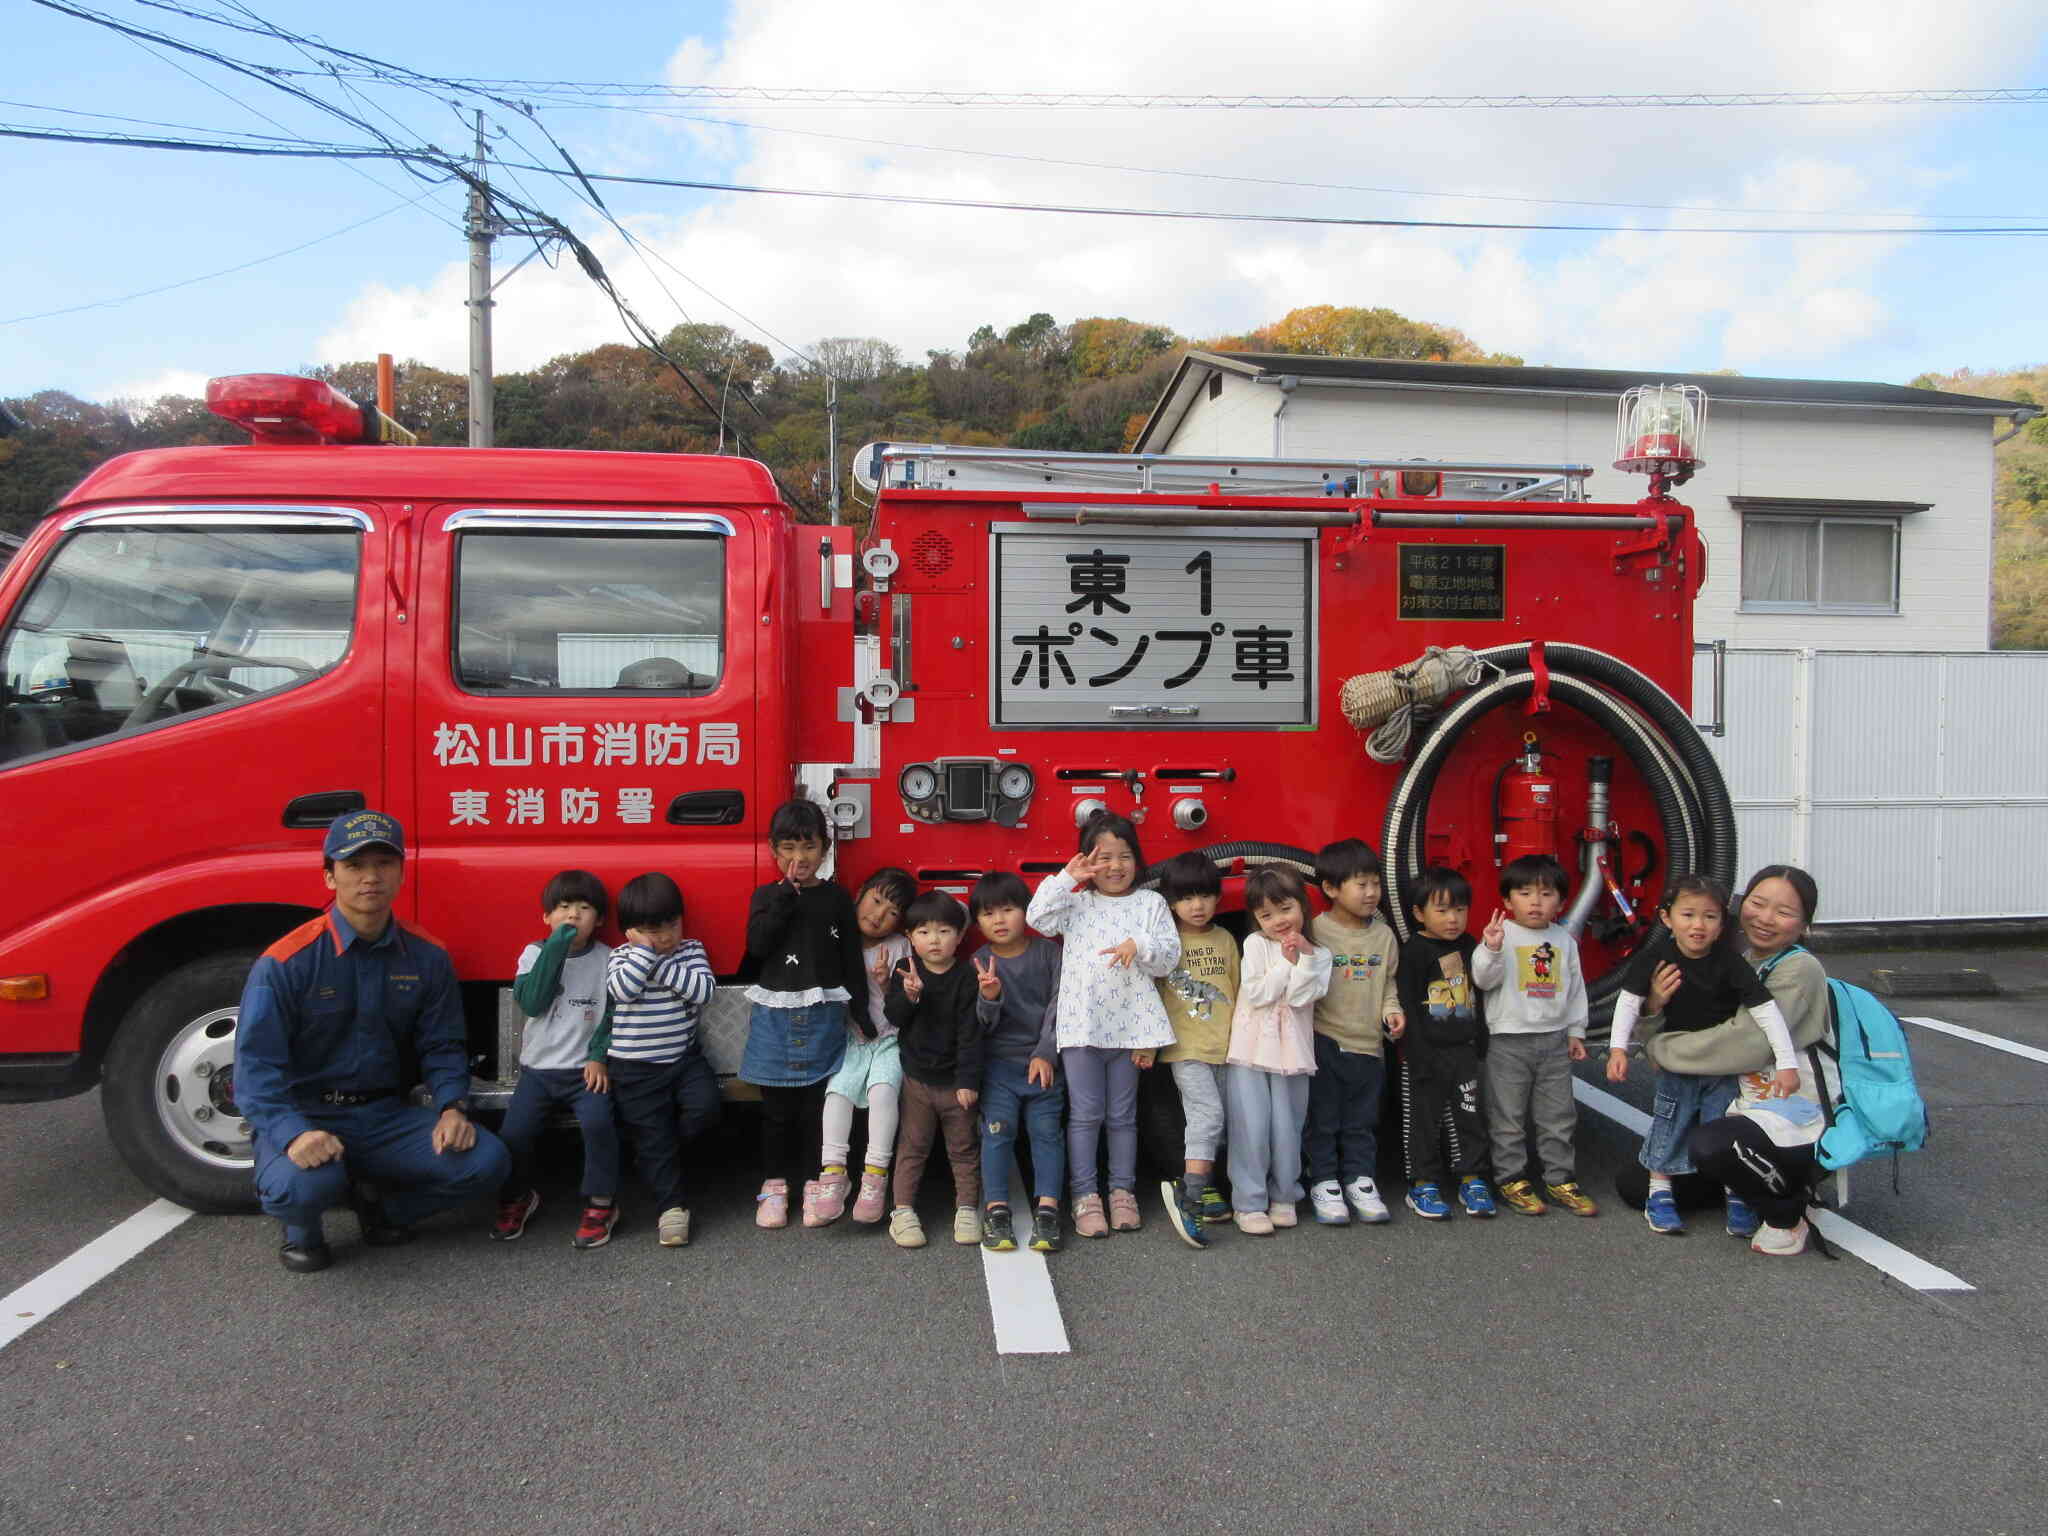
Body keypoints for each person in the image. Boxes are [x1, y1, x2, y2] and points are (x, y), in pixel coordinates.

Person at [236, 810, 509, 1274]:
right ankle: (302, 1229)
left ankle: (384, 1211)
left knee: (486, 1161)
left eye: (383, 863)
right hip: (310, 1112)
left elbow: (442, 1046)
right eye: (354, 865)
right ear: (329, 875)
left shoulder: (427, 957)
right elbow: (255, 1070)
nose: (370, 878)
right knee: (300, 1187)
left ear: (402, 873)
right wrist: (293, 1133)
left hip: (384, 1116)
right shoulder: (287, 962)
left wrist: (452, 1108)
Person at [1604, 873, 1799, 1236]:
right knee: (1669, 1123)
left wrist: (1787, 1063)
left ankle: (1737, 1195)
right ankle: (1659, 1193)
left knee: (1721, 1129)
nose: (1698, 925)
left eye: (1709, 916)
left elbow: (1766, 1011)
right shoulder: (1654, 959)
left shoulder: (1730, 962)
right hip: (1678, 1066)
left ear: (1722, 922)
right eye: (1688, 914)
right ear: (1667, 918)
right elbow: (1628, 1003)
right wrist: (1618, 1049)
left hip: (1721, 1069)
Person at [1026, 810, 1180, 1238]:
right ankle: (1085, 1196)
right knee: (1086, 1114)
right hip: (1083, 1026)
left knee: (1122, 1116)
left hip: (1132, 1027)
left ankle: (1122, 1192)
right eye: (1104, 857)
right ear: (1087, 860)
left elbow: (1169, 955)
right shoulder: (1076, 900)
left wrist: (1139, 944)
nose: (1115, 866)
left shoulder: (1150, 904)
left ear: (1138, 859)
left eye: (1124, 856)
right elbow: (1036, 919)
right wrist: (1065, 878)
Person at [1680, 866, 1834, 1256]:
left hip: (1796, 1120)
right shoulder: (1744, 962)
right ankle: (1747, 1184)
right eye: (1758, 904)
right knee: (1636, 1185)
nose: (1765, 919)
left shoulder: (1800, 969)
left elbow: (1746, 1046)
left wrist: (1660, 1050)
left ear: (1804, 925)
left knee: (1710, 1147)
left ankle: (1790, 1211)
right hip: (1748, 1111)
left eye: (1783, 912)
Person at [740, 799, 867, 1229]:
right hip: (776, 1014)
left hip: (823, 1012)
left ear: (825, 849)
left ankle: (816, 1183)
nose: (800, 858)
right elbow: (757, 945)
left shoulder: (836, 899)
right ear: (775, 851)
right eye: (789, 847)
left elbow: (851, 958)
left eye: (809, 847)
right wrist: (782, 900)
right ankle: (775, 1185)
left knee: (817, 1107)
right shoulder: (765, 895)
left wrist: (862, 1013)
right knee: (776, 1109)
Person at [491, 870, 622, 1249]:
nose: (573, 916)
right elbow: (532, 1001)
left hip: (585, 1070)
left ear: (598, 920)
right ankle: (517, 1196)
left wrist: (598, 1057)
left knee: (598, 1124)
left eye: (584, 908)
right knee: (515, 1132)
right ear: (546, 917)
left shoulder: (608, 959)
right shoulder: (534, 953)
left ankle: (601, 1202)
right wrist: (555, 948)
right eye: (563, 908)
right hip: (538, 1070)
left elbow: (614, 1014)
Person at [1471, 854, 1598, 1218]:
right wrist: (1491, 948)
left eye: (1546, 894)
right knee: (1507, 1116)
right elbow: (1482, 980)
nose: (1536, 901)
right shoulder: (1501, 934)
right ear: (1508, 901)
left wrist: (1577, 1031)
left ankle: (1560, 1180)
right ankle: (1511, 1179)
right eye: (1524, 893)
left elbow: (1575, 990)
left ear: (1561, 902)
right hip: (1508, 1042)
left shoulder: (1564, 940)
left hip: (1555, 1041)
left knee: (1558, 1116)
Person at [601, 871, 719, 1248]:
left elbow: (703, 991)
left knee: (704, 1109)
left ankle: (658, 1154)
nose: (667, 936)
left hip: (684, 1059)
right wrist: (643, 953)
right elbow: (622, 991)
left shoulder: (690, 951)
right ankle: (672, 1210)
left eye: (673, 924)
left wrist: (661, 961)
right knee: (653, 1139)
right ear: (631, 932)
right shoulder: (621, 958)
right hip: (633, 1069)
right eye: (654, 930)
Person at [806, 866, 917, 1228]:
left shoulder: (900, 946)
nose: (878, 915)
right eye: (876, 901)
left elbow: (900, 1010)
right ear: (860, 893)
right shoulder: (841, 940)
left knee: (884, 1092)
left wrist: (887, 985)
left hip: (887, 1041)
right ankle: (833, 1173)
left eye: (892, 912)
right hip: (852, 1040)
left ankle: (874, 1175)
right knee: (837, 1095)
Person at [1224, 865, 1333, 1235]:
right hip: (1250, 1049)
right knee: (1250, 1126)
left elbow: (1304, 998)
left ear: (1302, 906)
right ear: (1256, 920)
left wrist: (1301, 959)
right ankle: (1249, 1202)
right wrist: (1286, 965)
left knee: (1288, 1126)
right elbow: (1256, 993)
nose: (1278, 921)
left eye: (1285, 909)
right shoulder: (1255, 945)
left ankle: (1285, 1195)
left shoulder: (1320, 954)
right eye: (1266, 915)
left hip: (1293, 1053)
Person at [1305, 838, 1407, 1225]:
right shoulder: (1315, 932)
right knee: (1324, 1118)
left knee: (1362, 1120)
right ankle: (1325, 1181)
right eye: (1360, 884)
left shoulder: (1383, 936)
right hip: (1326, 1041)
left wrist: (1392, 1012)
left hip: (1370, 1046)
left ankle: (1361, 1180)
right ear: (1330, 888)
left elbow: (1388, 984)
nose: (1371, 893)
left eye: (1375, 884)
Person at [969, 871, 1065, 1254]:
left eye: (1008, 909)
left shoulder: (1048, 953)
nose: (999, 920)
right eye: (988, 913)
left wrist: (1046, 1052)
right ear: (977, 921)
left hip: (1043, 1063)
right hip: (998, 1069)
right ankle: (995, 1211)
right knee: (998, 1130)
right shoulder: (978, 961)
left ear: (1025, 912)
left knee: (1046, 1132)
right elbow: (978, 1026)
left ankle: (1049, 1211)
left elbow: (1060, 1008)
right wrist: (989, 997)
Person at [1149, 851, 1240, 1247]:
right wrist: (1148, 1045)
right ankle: (1190, 1193)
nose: (1196, 905)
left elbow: (1240, 992)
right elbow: (1151, 995)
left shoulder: (1225, 940)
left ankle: (1208, 1188)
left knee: (1222, 1124)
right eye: (1186, 898)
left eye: (1204, 895)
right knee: (1208, 1115)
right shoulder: (1167, 942)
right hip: (1186, 1048)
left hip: (1229, 1047)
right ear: (1171, 902)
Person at [884, 891, 984, 1249]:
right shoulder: (905, 972)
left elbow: (972, 1034)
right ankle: (903, 1211)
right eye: (924, 932)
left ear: (960, 936)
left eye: (944, 931)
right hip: (917, 1079)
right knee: (913, 1146)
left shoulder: (967, 977)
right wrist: (910, 995)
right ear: (910, 937)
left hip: (956, 1081)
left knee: (963, 1148)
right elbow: (894, 1017)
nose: (935, 940)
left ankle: (968, 1208)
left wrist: (968, 1081)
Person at [1394, 867, 1492, 1221]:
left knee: (1469, 1115)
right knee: (1423, 1120)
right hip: (1424, 1053)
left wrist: (1480, 1040)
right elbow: (1406, 1001)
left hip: (1462, 1050)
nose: (1453, 919)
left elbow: (1478, 995)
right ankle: (1422, 1183)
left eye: (1460, 910)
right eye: (1442, 910)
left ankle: (1473, 1177)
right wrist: (1416, 1053)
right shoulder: (1415, 951)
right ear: (1419, 913)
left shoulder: (1469, 946)